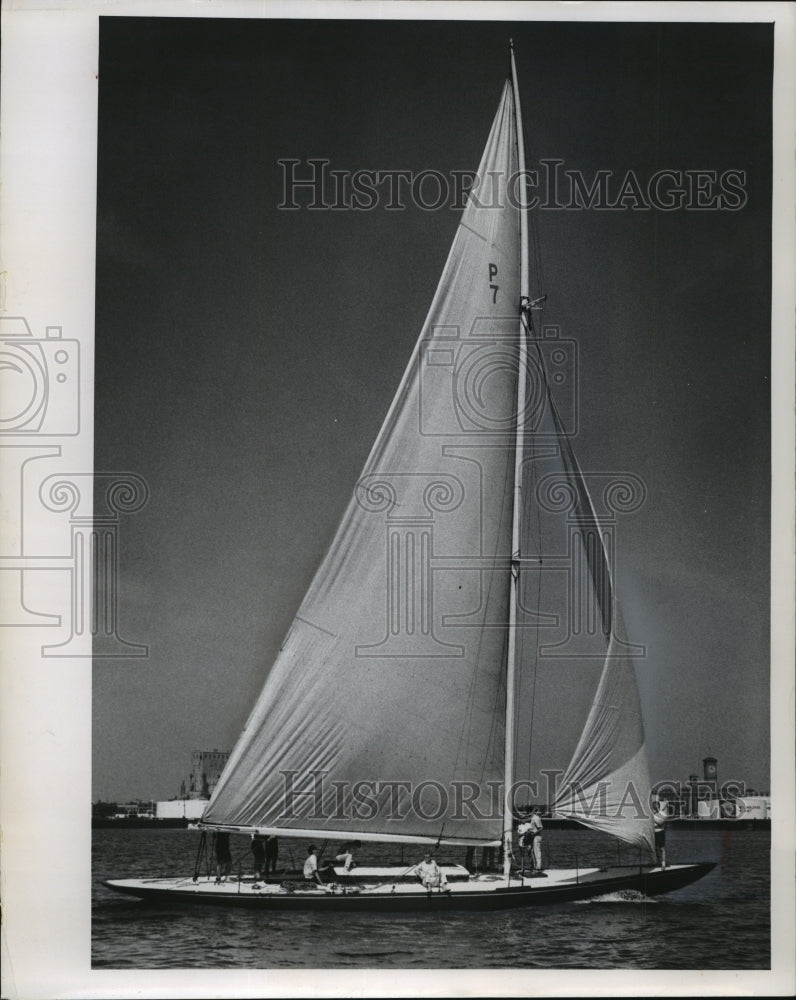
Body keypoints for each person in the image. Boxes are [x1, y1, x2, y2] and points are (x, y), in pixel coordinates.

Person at [520, 807, 543, 872]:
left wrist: (533, 833)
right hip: (533, 837)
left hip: (536, 836)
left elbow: (540, 828)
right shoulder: (533, 818)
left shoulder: (535, 818)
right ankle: (534, 866)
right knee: (532, 852)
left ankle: (538, 867)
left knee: (537, 852)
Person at [652, 800, 667, 868]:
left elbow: (660, 823)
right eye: (654, 806)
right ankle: (658, 862)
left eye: (656, 806)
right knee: (655, 849)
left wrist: (652, 818)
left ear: (658, 806)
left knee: (662, 848)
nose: (655, 807)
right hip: (653, 832)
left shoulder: (663, 813)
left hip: (660, 832)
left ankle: (663, 864)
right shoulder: (652, 814)